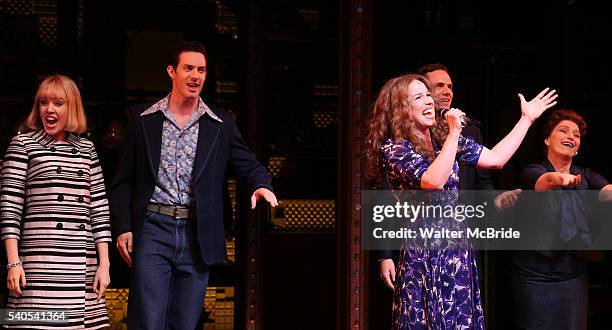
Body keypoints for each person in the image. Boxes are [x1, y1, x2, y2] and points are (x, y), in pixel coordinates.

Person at [365, 74, 557, 329]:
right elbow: (433, 180)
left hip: (457, 252)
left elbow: (496, 158)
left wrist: (526, 119)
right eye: (419, 97)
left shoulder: (443, 140)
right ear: (402, 108)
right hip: (425, 254)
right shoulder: (395, 149)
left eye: (428, 96)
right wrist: (454, 131)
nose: (429, 102)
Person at [109, 41, 278, 329]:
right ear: (171, 72)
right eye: (188, 68)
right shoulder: (144, 119)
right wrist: (124, 227)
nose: (195, 76)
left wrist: (261, 184)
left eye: (201, 70)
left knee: (185, 322)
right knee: (148, 320)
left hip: (196, 233)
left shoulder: (220, 124)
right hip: (154, 227)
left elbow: (247, 162)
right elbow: (123, 180)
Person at [1, 74, 111, 329]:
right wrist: (13, 262)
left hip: (81, 266)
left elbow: (99, 208)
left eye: (58, 103)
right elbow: (9, 207)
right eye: (43, 102)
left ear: (72, 107)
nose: (49, 109)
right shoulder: (23, 145)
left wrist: (103, 264)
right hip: (40, 264)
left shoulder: (87, 149)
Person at [510, 109, 612, 329]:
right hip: (534, 276)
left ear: (578, 147)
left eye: (576, 135)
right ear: (548, 139)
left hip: (572, 276)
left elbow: (606, 192)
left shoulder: (586, 176)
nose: (571, 137)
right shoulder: (533, 171)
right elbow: (544, 182)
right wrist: (560, 178)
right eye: (564, 131)